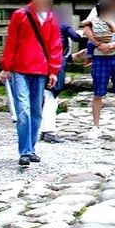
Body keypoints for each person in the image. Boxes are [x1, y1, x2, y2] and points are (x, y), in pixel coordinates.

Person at [0, 0, 63, 166]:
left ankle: (31, 148)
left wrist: (54, 71)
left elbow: (55, 46)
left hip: (41, 70)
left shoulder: (51, 18)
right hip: (20, 69)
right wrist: (6, 66)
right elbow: (11, 41)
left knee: (36, 111)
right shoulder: (21, 15)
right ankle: (24, 151)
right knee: (24, 111)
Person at [82, 0, 115, 139]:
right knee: (98, 93)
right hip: (99, 57)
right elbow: (86, 30)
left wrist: (110, 45)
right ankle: (96, 126)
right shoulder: (97, 11)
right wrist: (99, 45)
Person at [40, 15, 83, 144]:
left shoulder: (44, 28)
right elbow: (76, 37)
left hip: (42, 64)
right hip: (54, 66)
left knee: (46, 97)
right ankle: (49, 131)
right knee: (51, 98)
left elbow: (61, 54)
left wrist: (73, 56)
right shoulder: (63, 25)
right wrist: (86, 30)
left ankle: (44, 129)